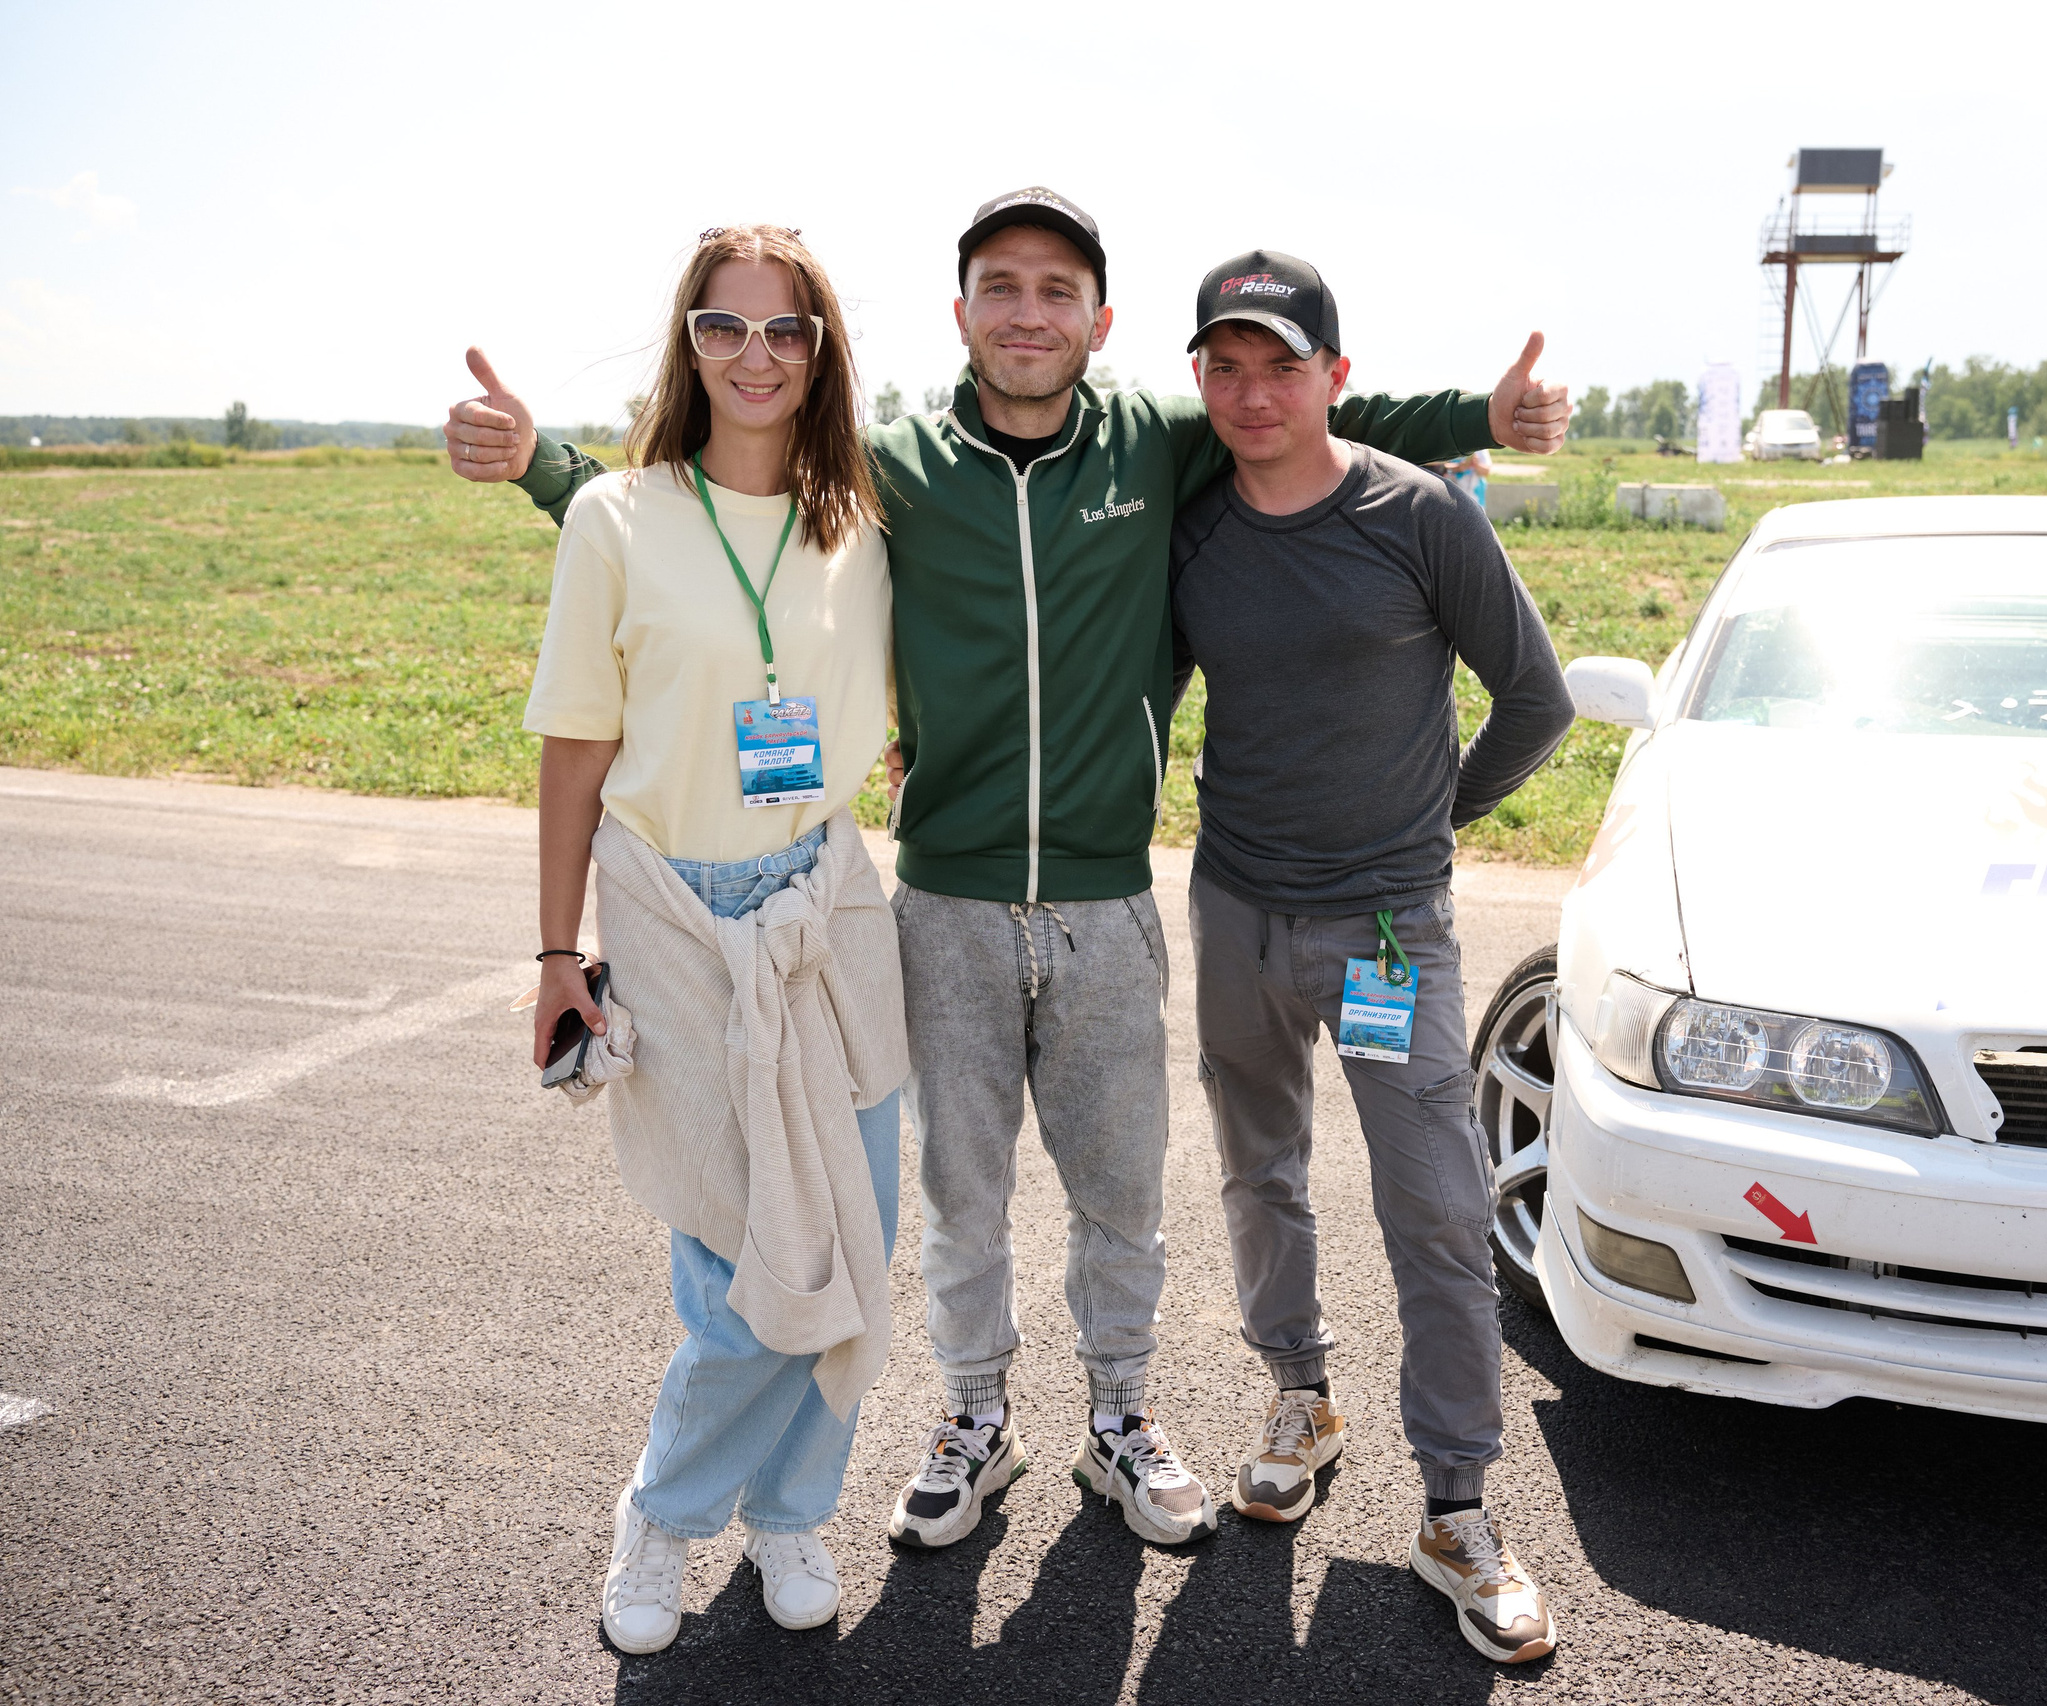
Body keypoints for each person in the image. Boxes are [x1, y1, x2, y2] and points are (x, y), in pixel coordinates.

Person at [447, 187, 1570, 1555]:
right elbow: (712, 495)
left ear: (1102, 322)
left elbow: (1321, 419)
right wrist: (539, 464)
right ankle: (975, 1418)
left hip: (1109, 900)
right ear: (962, 312)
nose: (1029, 311)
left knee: (1122, 1196)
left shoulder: (1162, 444)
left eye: (1058, 290)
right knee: (959, 1196)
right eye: (1002, 286)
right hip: (948, 900)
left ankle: (1121, 1418)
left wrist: (1480, 420)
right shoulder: (893, 465)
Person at [1169, 252, 1572, 1663]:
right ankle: (1301, 1394)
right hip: (1235, 913)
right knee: (1256, 1168)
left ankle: (1457, 1506)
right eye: (1225, 365)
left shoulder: (1420, 514)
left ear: (1335, 375)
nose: (1252, 390)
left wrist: (1439, 811)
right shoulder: (1198, 528)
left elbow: (1537, 693)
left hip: (1390, 927)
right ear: (1201, 380)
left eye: (1281, 363)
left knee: (1438, 1208)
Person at [520, 224, 908, 1654]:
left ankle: (794, 1507)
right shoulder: (614, 518)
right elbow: (575, 745)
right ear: (690, 344)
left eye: (787, 330)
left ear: (823, 354)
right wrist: (558, 952)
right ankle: (665, 1515)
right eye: (727, 328)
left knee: (852, 1241)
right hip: (676, 915)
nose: (758, 356)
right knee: (743, 1275)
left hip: (826, 906)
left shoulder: (860, 528)